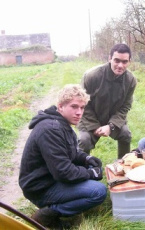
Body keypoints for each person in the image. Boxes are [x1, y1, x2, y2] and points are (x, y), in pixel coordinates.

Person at [19, 84, 107, 229]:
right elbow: (63, 172)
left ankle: (55, 206)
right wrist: (90, 173)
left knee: (90, 179)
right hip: (40, 187)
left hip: (49, 178)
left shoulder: (63, 124)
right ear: (60, 107)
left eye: (82, 107)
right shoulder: (51, 129)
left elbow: (71, 152)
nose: (79, 112)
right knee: (98, 192)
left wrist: (86, 159)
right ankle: (47, 214)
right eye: (74, 106)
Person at [78, 43, 137, 159]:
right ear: (109, 58)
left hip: (113, 118)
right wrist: (95, 127)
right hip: (89, 118)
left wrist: (111, 126)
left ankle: (122, 166)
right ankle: (82, 170)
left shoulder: (131, 80)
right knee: (84, 140)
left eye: (124, 62)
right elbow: (82, 104)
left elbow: (125, 107)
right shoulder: (92, 76)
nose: (120, 65)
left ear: (129, 61)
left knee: (125, 134)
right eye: (116, 60)